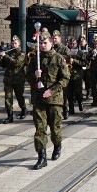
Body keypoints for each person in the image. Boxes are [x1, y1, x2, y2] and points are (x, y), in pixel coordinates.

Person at [25, 31, 70, 170]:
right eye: (40, 43)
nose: (43, 46)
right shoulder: (35, 59)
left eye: (45, 43)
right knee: (40, 129)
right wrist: (34, 75)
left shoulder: (58, 58)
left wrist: (52, 90)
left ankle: (57, 145)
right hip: (39, 99)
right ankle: (42, 156)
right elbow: (28, 77)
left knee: (55, 128)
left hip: (54, 99)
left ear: (51, 43)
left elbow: (65, 78)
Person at [0, 35, 28, 122]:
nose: (13, 45)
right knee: (8, 98)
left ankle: (24, 109)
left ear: (19, 44)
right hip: (8, 79)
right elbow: (3, 65)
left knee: (19, 96)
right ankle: (10, 116)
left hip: (18, 79)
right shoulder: (9, 53)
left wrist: (5, 55)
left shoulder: (22, 53)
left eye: (15, 43)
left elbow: (16, 63)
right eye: (12, 43)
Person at [51, 30, 71, 119]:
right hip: (53, 74)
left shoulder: (64, 48)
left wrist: (56, 55)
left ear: (59, 38)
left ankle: (66, 109)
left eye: (55, 38)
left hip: (62, 73)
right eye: (53, 38)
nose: (54, 40)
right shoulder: (51, 48)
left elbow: (67, 58)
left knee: (64, 94)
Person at [66, 36, 87, 115]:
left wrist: (74, 61)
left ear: (76, 43)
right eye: (70, 43)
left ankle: (80, 102)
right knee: (69, 94)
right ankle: (71, 109)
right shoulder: (66, 52)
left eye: (73, 43)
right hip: (68, 75)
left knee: (78, 92)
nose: (72, 45)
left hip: (77, 76)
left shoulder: (80, 53)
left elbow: (84, 63)